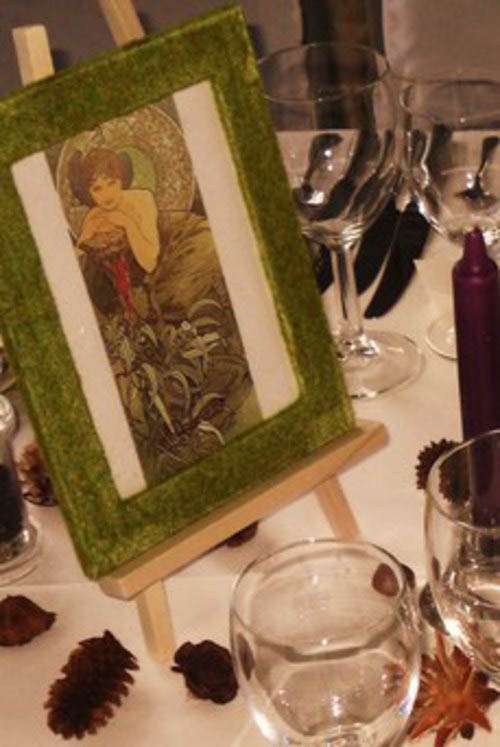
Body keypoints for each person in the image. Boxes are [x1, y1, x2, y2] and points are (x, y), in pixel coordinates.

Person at [69, 147, 160, 322]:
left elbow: (150, 262)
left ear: (121, 180)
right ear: (89, 192)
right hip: (118, 290)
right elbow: (80, 262)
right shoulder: (94, 217)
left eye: (111, 183)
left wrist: (126, 222)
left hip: (155, 273)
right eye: (97, 188)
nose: (107, 194)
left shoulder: (142, 199)